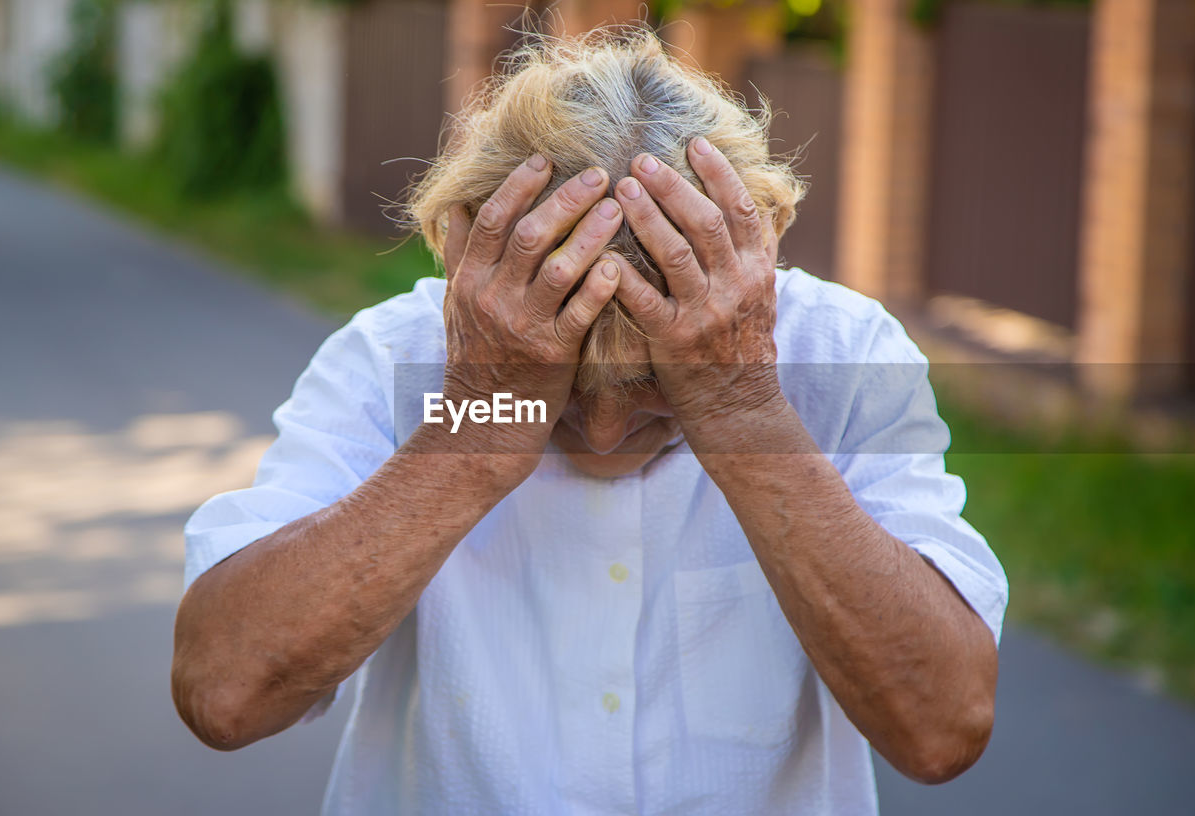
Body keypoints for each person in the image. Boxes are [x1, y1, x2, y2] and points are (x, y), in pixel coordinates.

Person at [172, 27, 1007, 815]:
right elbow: (224, 693)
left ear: (759, 254)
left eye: (652, 386)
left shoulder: (845, 354)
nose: (604, 432)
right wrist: (477, 426)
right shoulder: (394, 359)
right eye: (567, 387)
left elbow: (940, 729)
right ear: (465, 248)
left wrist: (739, 411)